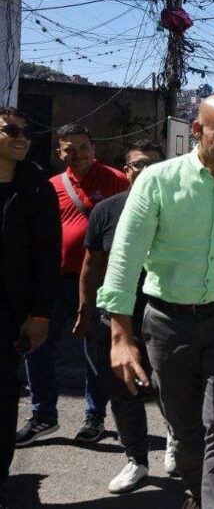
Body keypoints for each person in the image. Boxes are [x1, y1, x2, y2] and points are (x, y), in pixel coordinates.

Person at [97, 93, 214, 509]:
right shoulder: (157, 180)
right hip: (167, 321)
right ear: (197, 131)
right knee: (183, 428)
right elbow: (124, 258)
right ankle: (200, 493)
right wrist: (119, 335)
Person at [73, 139, 177, 493]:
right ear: (126, 170)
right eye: (137, 165)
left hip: (167, 314)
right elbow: (91, 266)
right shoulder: (107, 211)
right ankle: (136, 459)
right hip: (117, 317)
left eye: (153, 164)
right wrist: (86, 310)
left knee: (170, 387)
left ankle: (175, 437)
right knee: (123, 390)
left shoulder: (179, 209)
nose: (145, 171)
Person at [16, 124, 129, 447]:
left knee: (94, 353)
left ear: (94, 147)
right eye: (69, 148)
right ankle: (43, 416)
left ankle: (94, 418)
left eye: (83, 146)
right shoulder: (51, 186)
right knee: (35, 346)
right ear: (59, 153)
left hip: (99, 282)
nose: (76, 154)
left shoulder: (115, 181)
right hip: (56, 280)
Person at [0, 107, 60, 509]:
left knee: (3, 403)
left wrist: (40, 314)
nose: (23, 137)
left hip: (11, 315)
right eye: (11, 130)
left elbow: (47, 257)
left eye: (27, 131)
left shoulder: (38, 188)